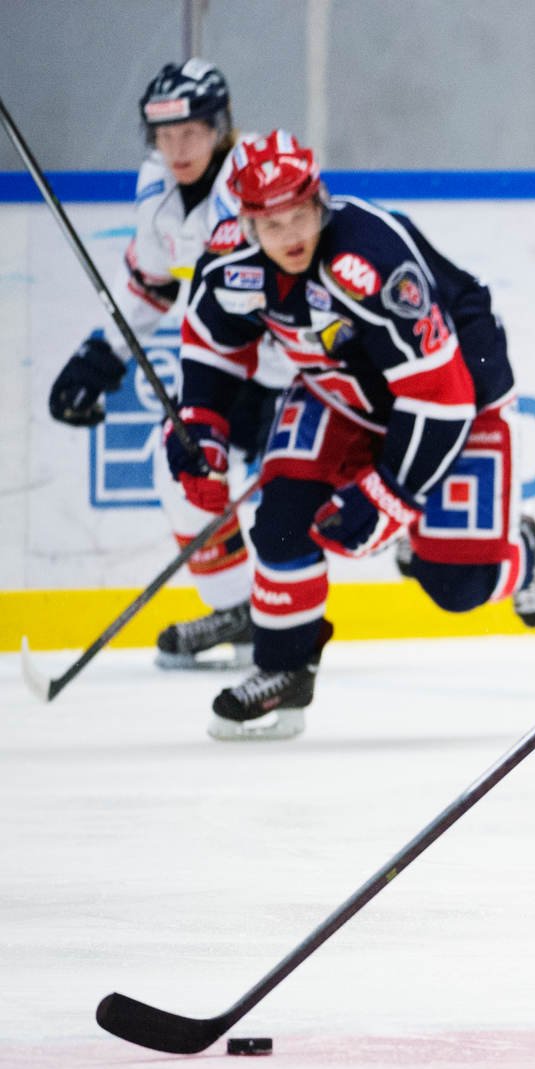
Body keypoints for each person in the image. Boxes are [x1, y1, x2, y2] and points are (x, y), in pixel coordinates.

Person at [167, 131, 535, 740]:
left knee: (458, 587)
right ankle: (285, 671)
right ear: (244, 224)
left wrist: (389, 496)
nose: (291, 235)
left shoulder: (370, 258)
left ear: (319, 201)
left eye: (300, 215)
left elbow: (440, 394)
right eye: (272, 225)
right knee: (283, 515)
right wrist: (200, 427)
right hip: (338, 389)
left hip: (461, 395)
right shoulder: (229, 263)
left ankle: (519, 551)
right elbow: (213, 350)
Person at [46, 59, 290, 669]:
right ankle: (241, 611)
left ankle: (472, 537)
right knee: (181, 466)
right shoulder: (156, 190)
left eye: (191, 133)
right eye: (164, 135)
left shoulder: (259, 176)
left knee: (342, 494)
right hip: (233, 370)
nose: (177, 148)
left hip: (303, 365)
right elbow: (152, 285)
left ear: (220, 127)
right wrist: (99, 354)